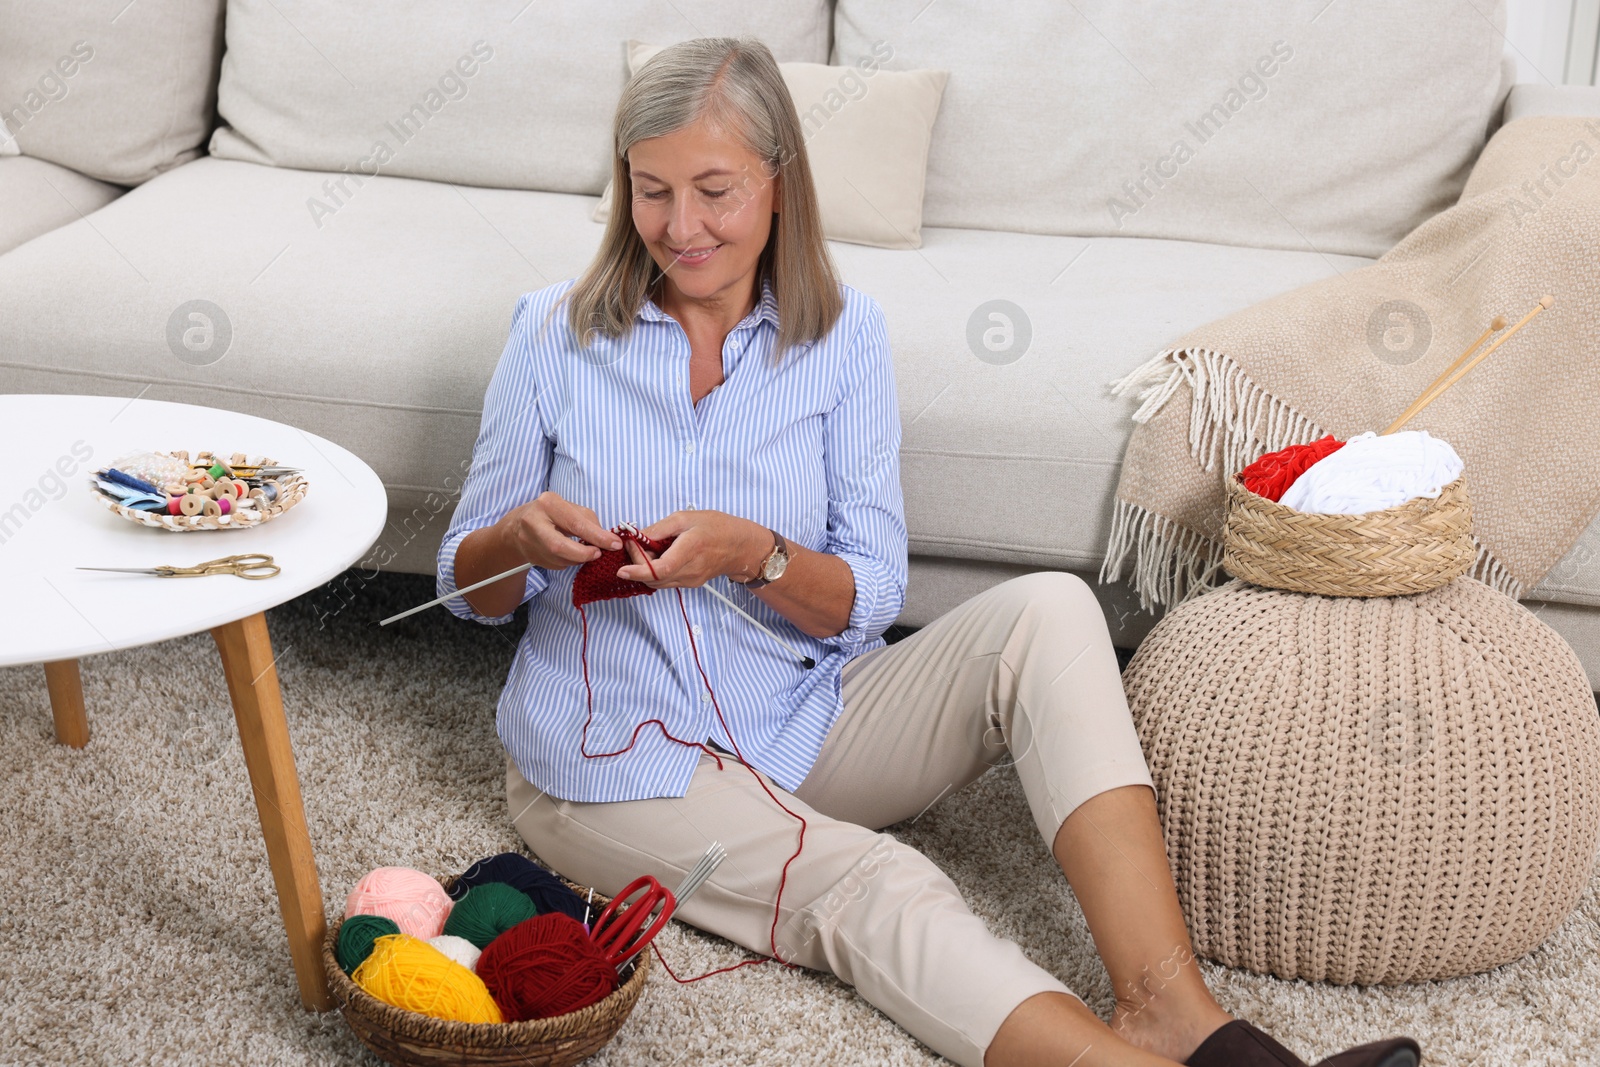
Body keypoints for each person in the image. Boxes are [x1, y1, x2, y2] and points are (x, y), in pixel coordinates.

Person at [437, 36, 1421, 1067]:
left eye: (715, 190)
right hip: (609, 763)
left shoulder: (841, 338)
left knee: (1047, 610)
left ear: (779, 185)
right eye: (651, 192)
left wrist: (755, 553)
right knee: (879, 884)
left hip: (796, 721)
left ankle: (1173, 1008)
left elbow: (864, 596)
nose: (681, 228)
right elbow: (472, 590)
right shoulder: (553, 333)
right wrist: (513, 539)